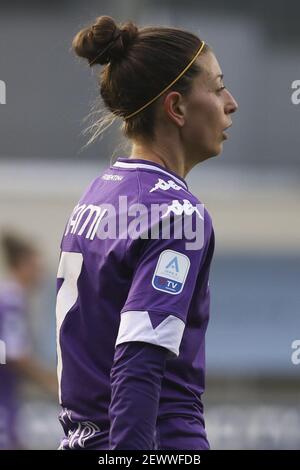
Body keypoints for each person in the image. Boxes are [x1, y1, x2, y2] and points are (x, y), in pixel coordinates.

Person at [56, 15, 238, 450]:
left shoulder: (98, 195)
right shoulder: (177, 213)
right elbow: (139, 357)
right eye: (217, 88)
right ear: (176, 108)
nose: (231, 103)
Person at [0, 232, 57, 449]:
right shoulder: (11, 300)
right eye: (36, 264)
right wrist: (54, 384)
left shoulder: (13, 297)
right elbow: (17, 356)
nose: (40, 272)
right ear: (23, 263)